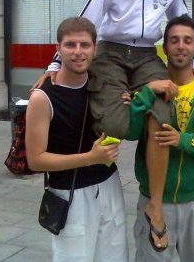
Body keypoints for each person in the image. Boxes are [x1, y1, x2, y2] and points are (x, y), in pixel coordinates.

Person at [34, 0, 194, 250]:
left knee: (163, 114)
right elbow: (84, 24)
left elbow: (182, 22)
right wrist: (54, 67)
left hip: (145, 56)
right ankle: (101, 170)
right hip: (111, 52)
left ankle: (154, 203)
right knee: (113, 123)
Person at [126, 14, 194, 261]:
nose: (180, 46)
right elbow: (130, 132)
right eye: (174, 40)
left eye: (188, 41)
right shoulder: (148, 86)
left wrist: (183, 140)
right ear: (164, 47)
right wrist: (144, 94)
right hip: (153, 205)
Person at [26, 17, 128, 262]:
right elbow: (36, 160)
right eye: (70, 45)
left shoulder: (104, 87)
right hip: (71, 194)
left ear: (95, 48)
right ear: (58, 48)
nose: (78, 52)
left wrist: (126, 106)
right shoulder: (42, 97)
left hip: (109, 186)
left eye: (85, 45)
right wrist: (90, 158)